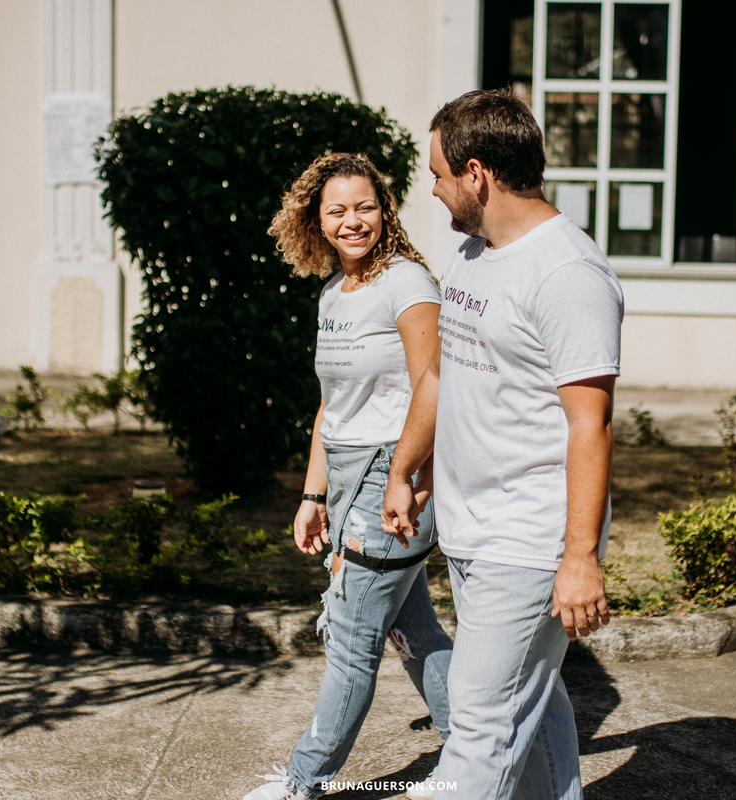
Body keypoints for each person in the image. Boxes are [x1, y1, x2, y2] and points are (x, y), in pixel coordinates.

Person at [381, 89, 624, 799]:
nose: (432, 188)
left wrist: (578, 558)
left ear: (477, 173)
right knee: (532, 701)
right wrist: (407, 469)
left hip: (529, 536)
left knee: (479, 733)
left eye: (438, 173)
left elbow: (591, 424)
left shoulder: (567, 275)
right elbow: (441, 376)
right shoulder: (475, 254)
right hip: (471, 526)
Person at [243, 152, 453, 800]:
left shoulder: (406, 283)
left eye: (364, 206)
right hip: (345, 472)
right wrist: (312, 495)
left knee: (353, 635)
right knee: (411, 624)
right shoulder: (334, 294)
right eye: (337, 210)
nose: (352, 220)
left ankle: (303, 780)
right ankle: (477, 743)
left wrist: (406, 476)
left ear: (384, 211)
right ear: (317, 219)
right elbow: (332, 407)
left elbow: (435, 384)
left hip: (392, 473)